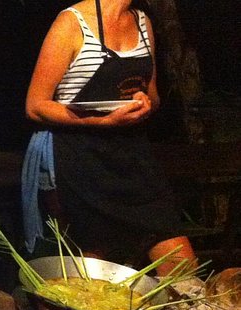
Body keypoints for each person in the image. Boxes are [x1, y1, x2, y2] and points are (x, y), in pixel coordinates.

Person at [23, 0, 196, 275]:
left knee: (181, 266)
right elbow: (35, 105)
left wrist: (145, 102)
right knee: (95, 275)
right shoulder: (71, 23)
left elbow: (152, 95)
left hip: (133, 158)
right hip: (81, 158)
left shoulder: (142, 22)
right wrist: (102, 120)